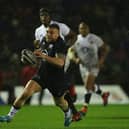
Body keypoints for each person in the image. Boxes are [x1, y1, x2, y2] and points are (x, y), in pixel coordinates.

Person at [0, 24, 75, 127]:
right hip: (42, 75)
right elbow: (40, 57)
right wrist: (32, 58)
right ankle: (9, 116)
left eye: (52, 32)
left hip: (56, 79)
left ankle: (67, 113)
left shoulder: (60, 44)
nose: (48, 34)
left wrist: (43, 56)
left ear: (58, 34)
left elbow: (60, 62)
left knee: (60, 103)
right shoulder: (44, 40)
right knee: (25, 93)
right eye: (48, 32)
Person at [34, 7, 77, 104]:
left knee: (59, 81)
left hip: (59, 57)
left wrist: (66, 47)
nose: (44, 17)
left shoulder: (60, 26)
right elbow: (40, 46)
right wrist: (37, 49)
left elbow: (73, 35)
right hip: (47, 59)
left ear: (49, 16)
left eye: (45, 15)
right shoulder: (38, 31)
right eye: (42, 15)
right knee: (54, 82)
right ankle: (71, 104)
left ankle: (71, 98)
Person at [67, 22, 110, 117]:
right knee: (91, 86)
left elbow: (106, 48)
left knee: (87, 86)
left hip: (94, 65)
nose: (83, 30)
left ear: (88, 29)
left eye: (84, 28)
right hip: (83, 66)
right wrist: (75, 58)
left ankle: (84, 108)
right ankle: (103, 94)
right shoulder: (76, 39)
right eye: (81, 28)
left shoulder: (94, 38)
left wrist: (101, 61)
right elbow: (70, 51)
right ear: (79, 30)